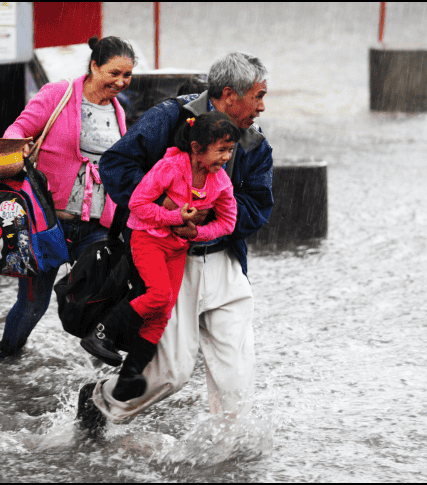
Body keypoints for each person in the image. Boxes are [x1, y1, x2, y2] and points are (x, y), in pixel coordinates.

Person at [79, 52, 273, 433]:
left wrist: (209, 220)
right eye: (259, 95)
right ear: (230, 95)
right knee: (171, 372)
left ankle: (226, 454)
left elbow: (257, 207)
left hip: (225, 260)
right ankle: (99, 403)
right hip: (169, 258)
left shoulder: (254, 145)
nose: (263, 107)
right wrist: (165, 207)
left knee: (237, 378)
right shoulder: (169, 119)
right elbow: (116, 165)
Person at [0, 36, 136, 362]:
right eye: (114, 73)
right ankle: (5, 356)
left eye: (127, 75)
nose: (121, 82)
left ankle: (101, 372)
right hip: (49, 223)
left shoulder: (118, 111)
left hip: (98, 224)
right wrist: (18, 147)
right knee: (32, 304)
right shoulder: (59, 94)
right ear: (95, 65)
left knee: (99, 296)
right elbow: (17, 129)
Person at [81, 112, 239, 403]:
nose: (226, 157)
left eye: (230, 150)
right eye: (221, 150)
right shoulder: (170, 167)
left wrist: (195, 233)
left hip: (177, 247)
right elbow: (138, 204)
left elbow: (228, 223)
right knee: (159, 294)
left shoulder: (220, 182)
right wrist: (173, 216)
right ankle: (101, 333)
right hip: (147, 239)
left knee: (163, 312)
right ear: (196, 148)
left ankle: (130, 375)